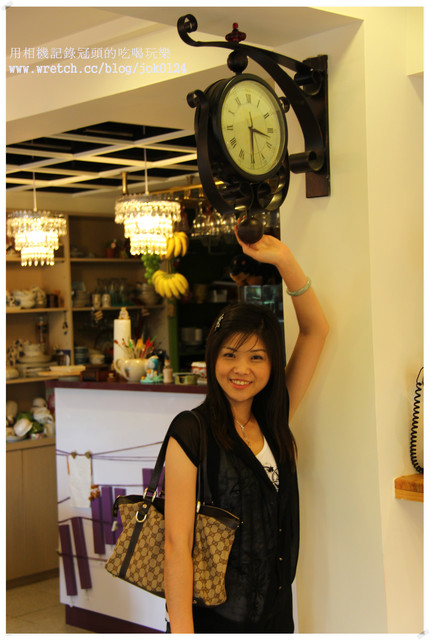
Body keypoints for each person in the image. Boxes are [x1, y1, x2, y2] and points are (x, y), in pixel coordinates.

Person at [164, 230, 329, 633]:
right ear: (213, 359)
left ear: (271, 365)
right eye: (230, 355)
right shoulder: (191, 431)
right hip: (215, 621)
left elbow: (315, 330)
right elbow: (176, 544)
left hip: (276, 615)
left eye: (257, 357)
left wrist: (285, 261)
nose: (242, 369)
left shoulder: (274, 419)